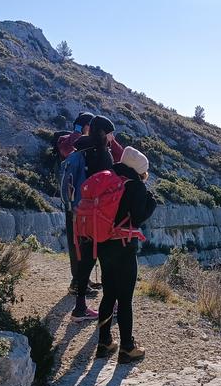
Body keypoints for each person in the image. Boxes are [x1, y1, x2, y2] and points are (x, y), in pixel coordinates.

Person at [95, 146, 156, 362]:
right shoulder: (136, 186)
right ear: (139, 170)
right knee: (125, 299)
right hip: (124, 246)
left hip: (104, 244)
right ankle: (127, 348)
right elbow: (137, 218)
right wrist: (151, 204)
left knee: (108, 294)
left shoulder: (108, 178)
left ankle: (104, 342)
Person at [69, 115, 122, 321]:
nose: (112, 137)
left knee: (86, 260)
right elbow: (108, 187)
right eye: (110, 133)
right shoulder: (103, 154)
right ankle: (112, 304)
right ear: (103, 133)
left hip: (82, 213)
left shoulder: (81, 148)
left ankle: (80, 307)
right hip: (99, 216)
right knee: (107, 260)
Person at [59, 112, 98, 300]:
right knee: (77, 245)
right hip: (76, 207)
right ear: (85, 127)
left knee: (80, 244)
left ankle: (83, 280)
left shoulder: (74, 149)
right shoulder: (76, 148)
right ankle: (77, 283)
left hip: (75, 205)